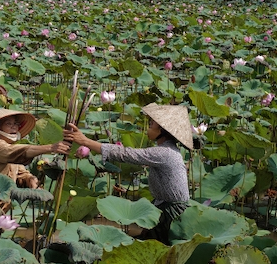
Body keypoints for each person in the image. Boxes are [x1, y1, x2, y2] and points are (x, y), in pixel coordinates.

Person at [64, 103, 192, 242]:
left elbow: (125, 154)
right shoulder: (168, 149)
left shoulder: (165, 153)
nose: (149, 123)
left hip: (172, 213)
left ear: (163, 129)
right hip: (163, 207)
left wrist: (85, 141)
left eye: (153, 122)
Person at [0, 108, 70, 188]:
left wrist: (30, 179)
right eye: (8, 124)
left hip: (2, 201)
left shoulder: (9, 146)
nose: (14, 127)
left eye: (15, 124)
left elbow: (20, 173)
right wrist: (51, 147)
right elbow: (16, 153)